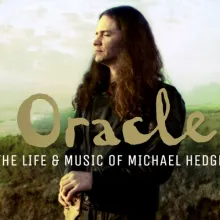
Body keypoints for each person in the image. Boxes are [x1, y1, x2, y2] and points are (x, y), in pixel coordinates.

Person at [58, 5, 186, 220]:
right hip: (85, 213)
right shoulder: (91, 94)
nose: (96, 41)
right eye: (96, 33)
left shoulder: (162, 98)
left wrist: (95, 180)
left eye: (106, 34)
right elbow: (76, 147)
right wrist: (70, 180)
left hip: (129, 214)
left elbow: (157, 165)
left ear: (129, 40)